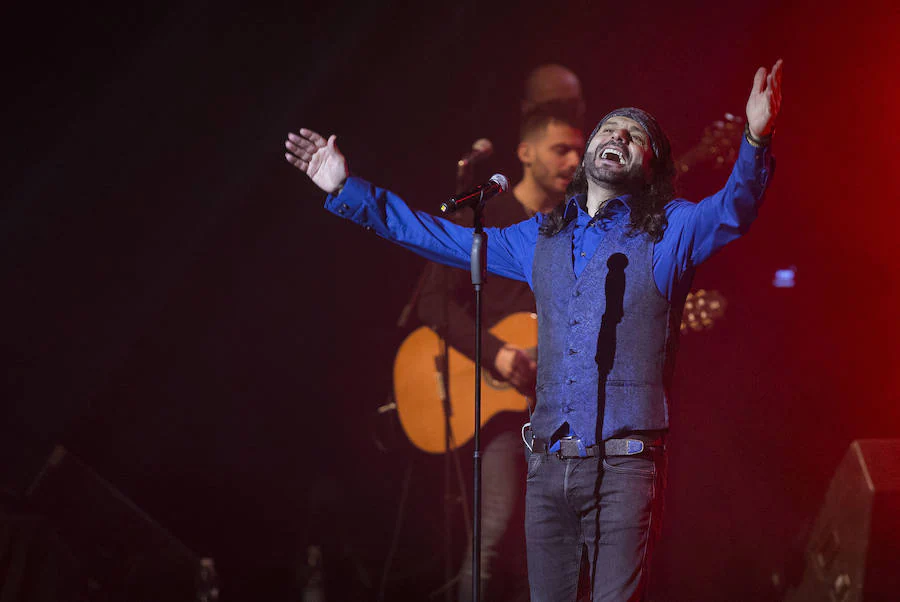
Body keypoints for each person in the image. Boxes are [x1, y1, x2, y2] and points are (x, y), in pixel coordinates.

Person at [284, 59, 783, 601]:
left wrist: (755, 139)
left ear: (648, 167)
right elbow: (436, 239)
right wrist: (347, 189)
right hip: (547, 469)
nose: (618, 134)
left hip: (625, 469)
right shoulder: (539, 238)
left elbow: (734, 209)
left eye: (635, 136)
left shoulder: (670, 231)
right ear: (591, 153)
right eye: (609, 128)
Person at [415, 99, 585, 601]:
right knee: (490, 541)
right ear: (526, 153)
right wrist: (498, 355)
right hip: (493, 411)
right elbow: (431, 303)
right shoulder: (485, 216)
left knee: (555, 549)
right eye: (561, 150)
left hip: (551, 413)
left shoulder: (578, 230)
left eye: (579, 150)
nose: (575, 161)